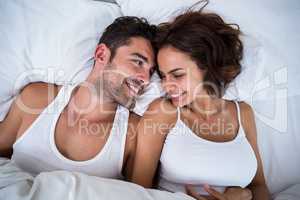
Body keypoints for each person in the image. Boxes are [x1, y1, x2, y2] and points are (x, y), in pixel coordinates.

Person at [131, 8, 270, 200]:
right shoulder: (163, 113)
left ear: (206, 65)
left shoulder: (243, 113)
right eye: (163, 76)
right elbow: (137, 191)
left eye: (177, 74)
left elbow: (260, 186)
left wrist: (243, 195)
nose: (166, 85)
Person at [0, 16, 156, 180]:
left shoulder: (134, 133)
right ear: (101, 55)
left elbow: (141, 195)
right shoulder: (36, 99)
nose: (145, 79)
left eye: (151, 72)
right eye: (138, 62)